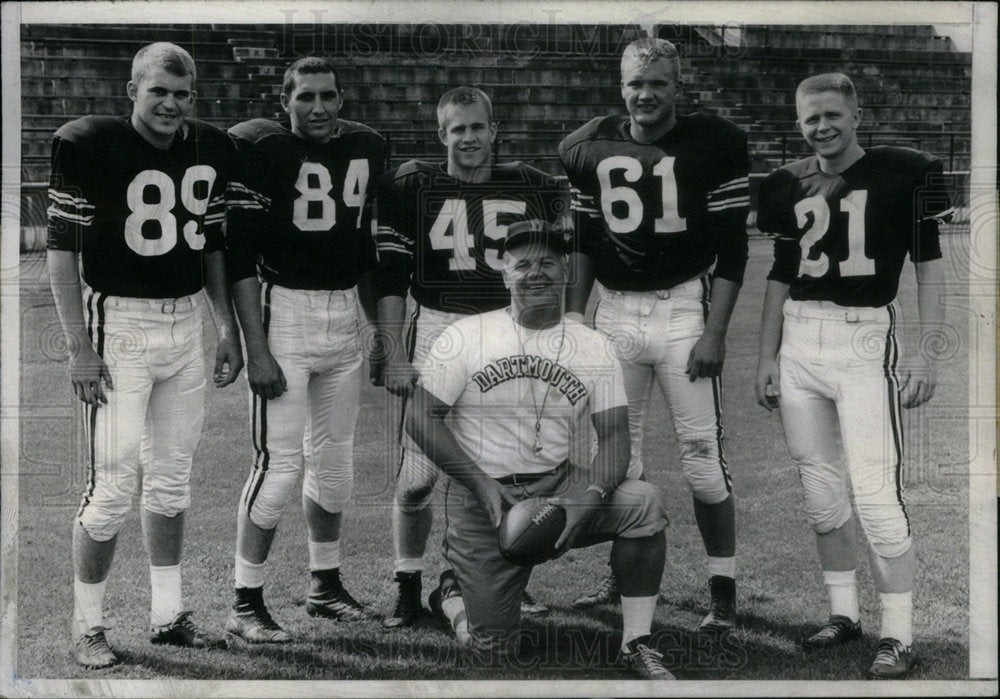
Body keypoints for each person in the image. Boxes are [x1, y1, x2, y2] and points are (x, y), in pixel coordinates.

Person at [46, 42, 244, 668]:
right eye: (159, 90)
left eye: (183, 94)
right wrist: (79, 347)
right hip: (121, 325)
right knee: (110, 487)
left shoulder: (210, 148)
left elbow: (212, 243)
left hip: (186, 322)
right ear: (132, 90)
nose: (171, 104)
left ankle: (167, 615)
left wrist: (225, 325)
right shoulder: (89, 143)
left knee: (170, 483)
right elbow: (61, 250)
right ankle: (88, 625)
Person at [406, 219, 673, 678]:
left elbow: (614, 438)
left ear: (566, 271)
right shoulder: (467, 335)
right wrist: (482, 485)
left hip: (558, 485)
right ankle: (454, 601)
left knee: (644, 504)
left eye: (547, 262)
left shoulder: (593, 346)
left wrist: (587, 497)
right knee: (493, 654)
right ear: (504, 273)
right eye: (522, 263)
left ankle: (637, 641)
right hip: (482, 496)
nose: (536, 273)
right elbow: (419, 418)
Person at [754, 72, 951, 679]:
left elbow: (929, 268)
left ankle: (899, 632)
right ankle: (844, 614)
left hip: (865, 338)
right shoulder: (788, 183)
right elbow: (781, 275)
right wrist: (767, 355)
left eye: (833, 115)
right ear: (798, 122)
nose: (823, 127)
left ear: (857, 112)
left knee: (874, 493)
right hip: (799, 342)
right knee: (820, 492)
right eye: (811, 118)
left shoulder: (904, 169)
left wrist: (924, 353)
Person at [557, 37, 749, 629]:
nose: (646, 95)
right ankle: (624, 581)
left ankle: (723, 589)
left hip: (683, 313)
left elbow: (734, 246)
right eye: (636, 84)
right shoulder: (585, 146)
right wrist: (572, 318)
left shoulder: (716, 142)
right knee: (620, 458)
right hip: (614, 315)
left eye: (658, 84)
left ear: (677, 86)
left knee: (702, 459)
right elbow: (586, 241)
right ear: (621, 86)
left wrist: (715, 332)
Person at [373, 86, 566, 628]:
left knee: (506, 470)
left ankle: (503, 578)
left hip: (506, 334)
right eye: (457, 129)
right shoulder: (415, 185)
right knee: (417, 477)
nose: (469, 138)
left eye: (477, 126)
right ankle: (407, 581)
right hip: (437, 329)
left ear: (494, 129)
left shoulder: (530, 185)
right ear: (442, 136)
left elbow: (550, 268)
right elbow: (390, 275)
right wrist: (392, 351)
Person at [224, 57, 386, 642]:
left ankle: (325, 583)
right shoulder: (261, 149)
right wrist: (256, 347)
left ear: (342, 100)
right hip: (284, 312)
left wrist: (377, 330)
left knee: (336, 462)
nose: (318, 108)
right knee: (278, 466)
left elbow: (366, 248)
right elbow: (238, 256)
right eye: (306, 98)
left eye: (328, 96)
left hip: (343, 313)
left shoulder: (367, 148)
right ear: (285, 102)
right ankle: (245, 600)